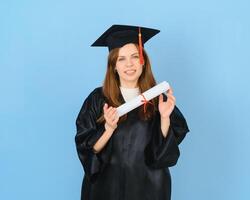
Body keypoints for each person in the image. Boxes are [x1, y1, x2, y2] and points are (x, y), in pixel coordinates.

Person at [75, 24, 190, 200]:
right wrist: (108, 129)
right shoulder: (98, 99)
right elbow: (88, 150)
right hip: (106, 188)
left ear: (143, 61)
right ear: (113, 66)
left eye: (135, 57)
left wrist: (165, 118)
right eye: (121, 59)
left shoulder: (157, 98)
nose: (129, 64)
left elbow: (163, 156)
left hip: (149, 188)